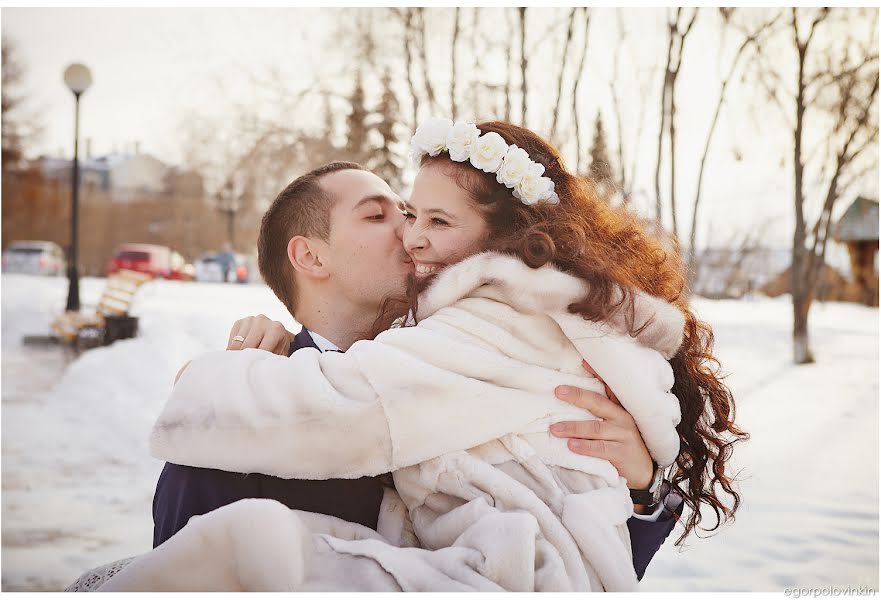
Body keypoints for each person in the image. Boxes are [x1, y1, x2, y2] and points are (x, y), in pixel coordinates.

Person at [99, 119, 745, 592]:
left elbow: (596, 550)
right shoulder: (236, 433)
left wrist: (640, 488)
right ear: (310, 257)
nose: (410, 235)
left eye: (426, 217)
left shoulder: (463, 343)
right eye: (382, 216)